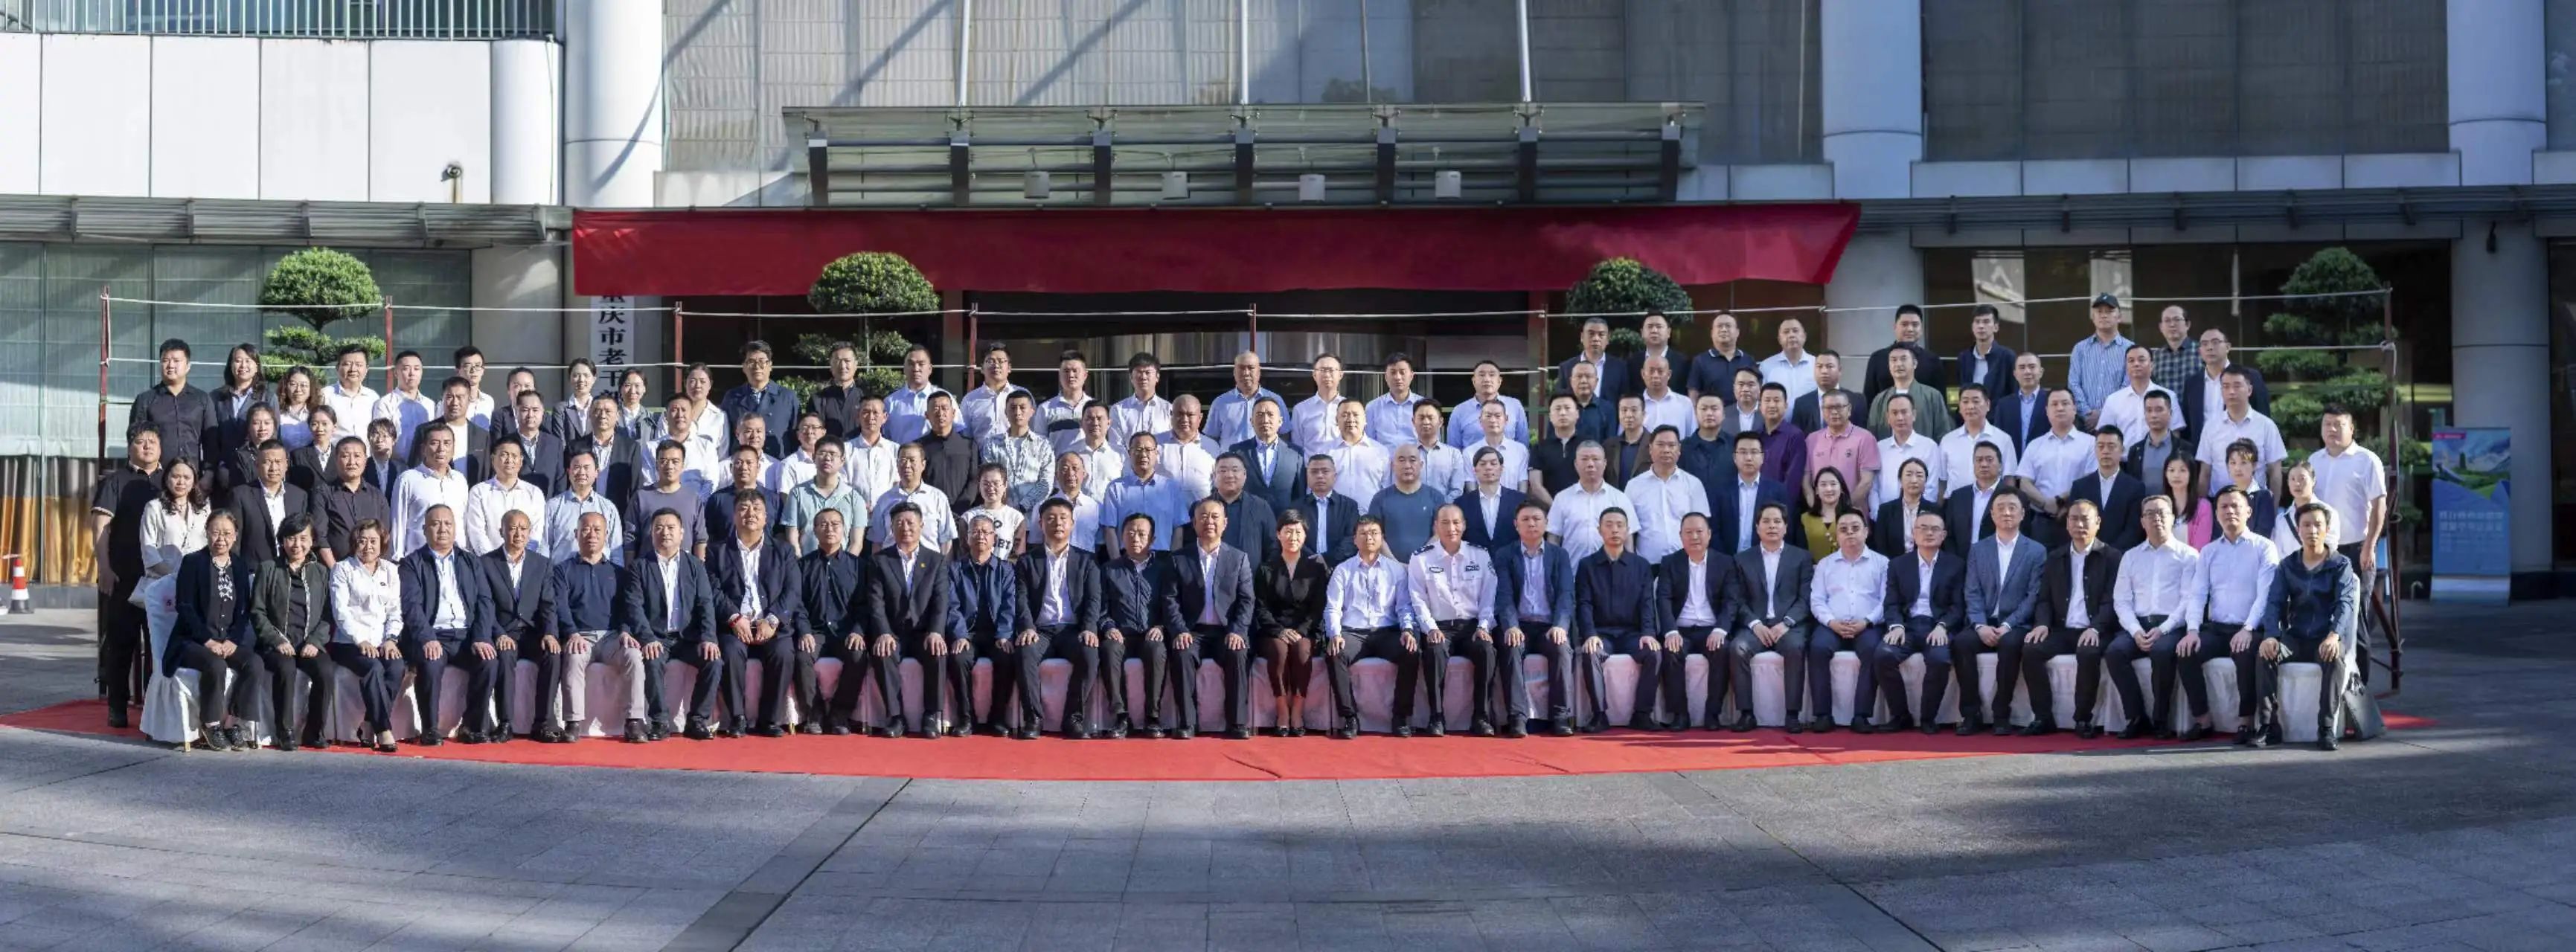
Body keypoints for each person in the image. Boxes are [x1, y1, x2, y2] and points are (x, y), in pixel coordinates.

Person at [2257, 503, 2379, 750]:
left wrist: (2334, 635)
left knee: (2335, 658)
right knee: (2264, 653)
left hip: (2325, 638)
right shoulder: (2288, 565)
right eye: (2306, 525)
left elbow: (2345, 604)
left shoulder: (2340, 564)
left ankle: (2326, 728)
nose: (2312, 530)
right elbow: (2274, 603)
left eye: (2317, 525)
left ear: (2327, 529)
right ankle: (2269, 726)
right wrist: (2271, 635)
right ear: (2298, 530)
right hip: (2295, 638)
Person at [2174, 487, 2278, 742]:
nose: (2230, 511)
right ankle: (2203, 720)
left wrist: (2248, 628)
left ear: (2248, 512)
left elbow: (2265, 595)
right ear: (2217, 513)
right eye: (2224, 507)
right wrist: (2192, 630)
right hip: (2217, 628)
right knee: (2186, 652)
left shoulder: (2264, 548)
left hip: (2250, 627)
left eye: (2235, 506)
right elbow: (2198, 594)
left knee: (2244, 653)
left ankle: (2245, 722)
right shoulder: (2209, 551)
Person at [706, 494, 809, 739]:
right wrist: (733, 617)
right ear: (734, 516)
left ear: (766, 518)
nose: (750, 514)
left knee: (783, 653)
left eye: (756, 509)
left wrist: (773, 619)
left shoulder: (783, 550)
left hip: (772, 623)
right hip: (734, 624)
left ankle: (770, 719)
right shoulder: (717, 550)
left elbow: (793, 591)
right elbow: (713, 590)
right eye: (743, 509)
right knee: (730, 652)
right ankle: (737, 717)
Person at [618, 508, 723, 742]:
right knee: (652, 660)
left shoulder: (695, 565)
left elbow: (705, 604)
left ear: (682, 532)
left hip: (688, 638)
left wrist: (709, 637)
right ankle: (660, 722)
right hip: (657, 637)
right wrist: (647, 638)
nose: (665, 532)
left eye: (670, 527)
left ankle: (697, 720)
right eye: (659, 528)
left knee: (714, 661)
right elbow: (634, 606)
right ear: (651, 533)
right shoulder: (640, 566)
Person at [166, 509, 264, 750]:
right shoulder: (193, 562)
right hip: (193, 642)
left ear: (236, 535)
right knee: (216, 664)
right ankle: (211, 725)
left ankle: (233, 722)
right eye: (216, 533)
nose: (221, 539)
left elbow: (244, 611)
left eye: (227, 533)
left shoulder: (239, 565)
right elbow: (185, 607)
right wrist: (208, 641)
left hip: (227, 641)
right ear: (207, 533)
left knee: (254, 663)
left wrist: (233, 640)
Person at [1163, 498, 1259, 740]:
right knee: (1181, 652)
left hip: (1226, 631)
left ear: (1225, 523)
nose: (1209, 522)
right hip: (1192, 631)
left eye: (1215, 517)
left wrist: (1238, 631)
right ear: (1194, 523)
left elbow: (1247, 600)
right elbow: (1170, 599)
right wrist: (1180, 630)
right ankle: (1187, 722)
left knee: (1238, 652)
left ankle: (1237, 722)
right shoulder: (1178, 558)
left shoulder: (1238, 558)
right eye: (1203, 517)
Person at [2024, 499, 2121, 738]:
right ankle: (2043, 717)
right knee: (2031, 649)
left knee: (2088, 653)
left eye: (2085, 519)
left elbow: (2112, 601)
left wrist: (2096, 627)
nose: (2080, 524)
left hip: (2096, 629)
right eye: (2074, 519)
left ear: (2098, 523)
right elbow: (2044, 599)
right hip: (2062, 629)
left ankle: (2083, 719)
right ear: (2067, 524)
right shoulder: (2055, 557)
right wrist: (2042, 624)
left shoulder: (2112, 557)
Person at [1008, 500, 1103, 739]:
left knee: (1090, 653)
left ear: (1072, 523)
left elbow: (1094, 599)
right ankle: (1033, 718)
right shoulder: (1027, 561)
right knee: (1025, 651)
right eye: (1050, 518)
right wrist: (1027, 627)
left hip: (1073, 630)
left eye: (1063, 518)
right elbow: (1021, 598)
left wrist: (1089, 628)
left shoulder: (1087, 561)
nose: (1057, 523)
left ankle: (1074, 718)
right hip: (1040, 630)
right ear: (1040, 524)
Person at [2108, 494, 2199, 740]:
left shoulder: (2189, 555)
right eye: (2150, 514)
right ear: (2142, 521)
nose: (2156, 518)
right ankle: (2136, 717)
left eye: (2161, 513)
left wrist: (2164, 629)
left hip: (2172, 625)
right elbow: (2122, 600)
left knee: (2162, 652)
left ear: (2172, 518)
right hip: (2138, 624)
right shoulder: (2131, 557)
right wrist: (2135, 631)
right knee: (2115, 652)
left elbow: (2189, 600)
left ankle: (2160, 719)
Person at [858, 504, 953, 737]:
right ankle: (895, 717)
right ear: (891, 527)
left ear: (921, 525)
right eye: (899, 523)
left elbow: (941, 601)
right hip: (893, 631)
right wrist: (883, 632)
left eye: (911, 522)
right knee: (882, 652)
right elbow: (875, 602)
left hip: (924, 632)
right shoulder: (879, 561)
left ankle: (931, 715)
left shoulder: (936, 560)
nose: (905, 528)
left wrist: (936, 631)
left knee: (938, 652)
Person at [93, 425, 165, 727]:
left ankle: (153, 708)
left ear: (161, 447)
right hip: (124, 575)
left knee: (158, 645)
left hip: (161, 579)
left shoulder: (170, 479)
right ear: (129, 447)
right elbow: (101, 528)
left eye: (152, 441)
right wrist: (104, 568)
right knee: (121, 643)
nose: (146, 446)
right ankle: (118, 706)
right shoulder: (116, 481)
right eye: (140, 441)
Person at [1322, 516, 1420, 738]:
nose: (1369, 538)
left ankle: (1401, 718)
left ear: (1382, 538)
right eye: (1364, 533)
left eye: (1374, 533)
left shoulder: (1396, 570)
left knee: (1411, 652)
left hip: (1386, 631)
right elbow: (1333, 608)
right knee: (1335, 653)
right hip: (1353, 632)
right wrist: (1335, 634)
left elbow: (1404, 606)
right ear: (1355, 539)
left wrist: (1407, 630)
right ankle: (1349, 718)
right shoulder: (1343, 570)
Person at [1957, 492, 2045, 736]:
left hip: (2016, 624)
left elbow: (2033, 596)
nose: (2007, 512)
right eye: (2001, 508)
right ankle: (1971, 714)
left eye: (2012, 507)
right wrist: (1979, 625)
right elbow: (1972, 591)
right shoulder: (1978, 550)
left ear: (2023, 514)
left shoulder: (2036, 551)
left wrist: (2008, 625)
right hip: (1984, 621)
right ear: (1992, 514)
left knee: (2010, 645)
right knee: (1962, 643)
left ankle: (2001, 713)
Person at [1718, 503, 1810, 731]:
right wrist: (1755, 624)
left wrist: (1786, 623)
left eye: (1777, 521)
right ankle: (1746, 714)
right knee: (1737, 648)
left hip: (1788, 626)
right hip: (1755, 626)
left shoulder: (1801, 557)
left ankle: (1792, 715)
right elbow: (1737, 599)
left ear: (1786, 527)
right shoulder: (1742, 559)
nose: (1772, 526)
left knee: (1796, 647)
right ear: (1757, 528)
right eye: (1766, 521)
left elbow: (1805, 599)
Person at [247, 512, 334, 751]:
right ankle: (284, 731)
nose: (297, 544)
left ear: (312, 541)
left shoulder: (321, 572)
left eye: (303, 538)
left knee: (325, 671)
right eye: (291, 538)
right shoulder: (268, 569)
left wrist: (315, 641)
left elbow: (328, 615)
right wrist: (276, 640)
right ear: (282, 541)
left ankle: (314, 731)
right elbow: (257, 611)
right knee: (286, 669)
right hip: (276, 645)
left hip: (308, 644)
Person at [1877, 510, 1968, 734]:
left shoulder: (1956, 565)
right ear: (1913, 533)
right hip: (1907, 626)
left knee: (1940, 660)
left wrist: (1943, 626)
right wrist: (1896, 625)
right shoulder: (1898, 564)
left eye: (1935, 529)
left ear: (1943, 535)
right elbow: (1891, 602)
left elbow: (1958, 606)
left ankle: (1928, 718)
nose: (1929, 533)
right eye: (1923, 528)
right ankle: (1901, 716)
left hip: (1937, 626)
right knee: (1883, 655)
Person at [548, 511, 635, 742]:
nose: (591, 535)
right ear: (576, 534)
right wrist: (571, 633)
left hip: (612, 638)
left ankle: (634, 721)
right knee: (574, 657)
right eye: (585, 529)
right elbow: (560, 606)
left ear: (606, 535)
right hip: (580, 636)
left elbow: (629, 607)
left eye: (597, 530)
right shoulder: (562, 570)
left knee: (634, 656)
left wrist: (625, 631)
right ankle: (573, 723)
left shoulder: (618, 573)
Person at [1408, 505, 1495, 736]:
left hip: (1472, 626)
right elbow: (1418, 599)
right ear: (1436, 526)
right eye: (1445, 523)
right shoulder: (1421, 558)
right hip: (1440, 627)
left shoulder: (1480, 555)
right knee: (1434, 651)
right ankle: (1436, 717)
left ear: (1464, 525)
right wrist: (1430, 628)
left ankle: (1481, 717)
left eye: (1456, 522)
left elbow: (1489, 596)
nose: (1451, 528)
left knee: (1487, 650)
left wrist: (1484, 626)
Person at [328, 520, 406, 753]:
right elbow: (341, 612)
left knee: (396, 667)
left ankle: (369, 723)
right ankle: (384, 730)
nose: (368, 547)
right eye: (362, 541)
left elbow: (395, 611)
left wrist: (391, 639)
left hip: (381, 641)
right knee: (374, 668)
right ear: (355, 543)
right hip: (349, 643)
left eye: (373, 541)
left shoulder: (390, 570)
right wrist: (360, 639)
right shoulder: (343, 569)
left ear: (382, 543)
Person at [1807, 509, 1888, 733]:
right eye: (1843, 529)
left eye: (1855, 528)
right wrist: (1831, 622)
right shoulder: (1825, 564)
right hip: (1832, 625)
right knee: (1817, 648)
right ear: (1837, 535)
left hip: (1868, 625)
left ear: (1866, 532)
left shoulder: (1882, 563)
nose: (1850, 533)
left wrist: (1867, 621)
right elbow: (1817, 600)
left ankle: (1861, 716)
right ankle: (1823, 715)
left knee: (1873, 650)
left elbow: (1886, 601)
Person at [476, 509, 553, 742]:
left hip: (532, 632)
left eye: (523, 528)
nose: (518, 533)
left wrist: (550, 633)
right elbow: (484, 604)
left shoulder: (542, 564)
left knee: (553, 654)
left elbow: (548, 604)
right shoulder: (486, 563)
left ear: (530, 533)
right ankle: (505, 723)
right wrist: (498, 633)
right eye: (512, 528)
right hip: (504, 632)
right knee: (505, 655)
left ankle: (544, 723)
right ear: (501, 531)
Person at [1252, 510, 1327, 737]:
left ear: (1305, 536)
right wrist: (1279, 631)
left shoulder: (1316, 568)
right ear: (1278, 534)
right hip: (1273, 631)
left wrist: (1301, 631)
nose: (1293, 537)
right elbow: (1260, 607)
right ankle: (1282, 709)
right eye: (1288, 532)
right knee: (1279, 651)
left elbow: (1318, 608)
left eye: (1298, 532)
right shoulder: (1266, 568)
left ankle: (1298, 709)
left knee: (1303, 651)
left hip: (1306, 630)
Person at [1098, 514, 1173, 739]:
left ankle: (1153, 717)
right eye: (1130, 533)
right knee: (1109, 649)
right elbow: (1100, 607)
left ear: (1153, 539)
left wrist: (1161, 627)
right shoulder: (1109, 569)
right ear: (1122, 536)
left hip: (1152, 633)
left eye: (1142, 534)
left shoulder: (1164, 569)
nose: (1136, 538)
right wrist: (1109, 626)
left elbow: (1172, 604)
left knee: (1157, 650)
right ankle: (1121, 717)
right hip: (1120, 634)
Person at [1656, 513, 1734, 731]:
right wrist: (1670, 631)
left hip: (1711, 628)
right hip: (1680, 628)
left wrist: (1721, 629)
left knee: (1722, 649)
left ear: (1709, 534)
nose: (1695, 537)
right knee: (1671, 650)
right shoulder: (1670, 563)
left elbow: (1731, 601)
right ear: (1681, 536)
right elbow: (1663, 598)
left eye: (1699, 532)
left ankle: (1713, 714)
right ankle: (1680, 715)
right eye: (1688, 533)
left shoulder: (1725, 563)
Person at [941, 514, 1014, 737]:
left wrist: (1004, 634)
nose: (980, 536)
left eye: (985, 532)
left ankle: (998, 717)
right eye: (975, 532)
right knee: (958, 658)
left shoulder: (1006, 569)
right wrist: (960, 635)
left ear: (994, 538)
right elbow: (951, 606)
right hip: (968, 634)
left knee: (1008, 657)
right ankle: (966, 718)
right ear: (967, 538)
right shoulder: (954, 569)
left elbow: (1010, 605)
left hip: (996, 634)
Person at [801, 508, 870, 737]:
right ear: (814, 531)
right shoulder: (803, 566)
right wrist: (804, 631)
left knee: (858, 655)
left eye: (835, 524)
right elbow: (797, 605)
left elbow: (865, 606)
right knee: (800, 656)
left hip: (846, 632)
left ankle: (841, 713)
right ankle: (815, 713)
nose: (829, 529)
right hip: (816, 632)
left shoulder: (859, 566)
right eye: (823, 524)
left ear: (845, 530)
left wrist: (858, 631)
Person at [2307, 405, 2388, 578]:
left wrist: (2369, 546)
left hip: (2357, 548)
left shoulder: (2368, 460)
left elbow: (2379, 507)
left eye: (2338, 424)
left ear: (2351, 429)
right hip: (2322, 548)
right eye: (2327, 424)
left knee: (2357, 595)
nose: (2332, 429)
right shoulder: (2314, 461)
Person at [2008, 390, 2092, 547]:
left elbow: (2090, 480)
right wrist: (2045, 504)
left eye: (2065, 403)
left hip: (2080, 520)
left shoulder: (2091, 444)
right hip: (2042, 522)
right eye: (2054, 404)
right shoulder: (2035, 445)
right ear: (2047, 411)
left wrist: (2059, 501)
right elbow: (2024, 482)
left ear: (2074, 409)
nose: (2060, 408)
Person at [1624, 428, 1709, 564]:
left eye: (1671, 445)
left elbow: (1702, 528)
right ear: (1650, 449)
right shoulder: (1634, 486)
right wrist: (1631, 564)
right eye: (1661, 445)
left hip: (1685, 563)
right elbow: (1628, 529)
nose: (1666, 450)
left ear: (1679, 449)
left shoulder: (1693, 484)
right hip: (1646, 564)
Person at [1100, 433, 1191, 553]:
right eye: (1138, 450)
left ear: (1156, 453)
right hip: (1127, 556)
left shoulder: (1171, 488)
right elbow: (1109, 529)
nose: (1143, 454)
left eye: (1148, 450)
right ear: (1129, 453)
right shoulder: (1116, 488)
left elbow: (1178, 528)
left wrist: (1173, 561)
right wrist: (1117, 561)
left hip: (1162, 557)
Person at [1545, 442, 1635, 563]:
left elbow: (1628, 539)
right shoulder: (1562, 498)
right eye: (1585, 459)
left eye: (1595, 459)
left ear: (1605, 463)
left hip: (1612, 570)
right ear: (1576, 464)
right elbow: (1553, 539)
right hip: (1573, 569)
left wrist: (1629, 568)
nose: (1590, 464)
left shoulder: (1620, 498)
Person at [2181, 327, 2272, 445]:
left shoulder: (2249, 376)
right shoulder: (2192, 383)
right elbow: (2188, 426)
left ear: (2228, 347)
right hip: (2203, 450)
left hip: (2241, 449)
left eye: (2215, 342)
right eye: (2204, 344)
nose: (2210, 347)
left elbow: (2263, 414)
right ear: (2200, 351)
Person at [390, 425, 471, 559]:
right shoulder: (408, 479)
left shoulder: (460, 480)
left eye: (447, 443)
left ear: (453, 448)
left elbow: (464, 523)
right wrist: (397, 558)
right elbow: (398, 522)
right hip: (418, 560)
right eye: (434, 443)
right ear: (423, 449)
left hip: (456, 559)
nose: (441, 449)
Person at [134, 338, 217, 464]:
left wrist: (209, 472)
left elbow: (211, 442)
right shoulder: (145, 400)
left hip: (192, 473)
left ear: (188, 366)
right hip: (157, 472)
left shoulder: (202, 399)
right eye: (165, 360)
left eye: (176, 361)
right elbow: (136, 441)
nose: (171, 365)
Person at [781, 437, 868, 556]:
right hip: (806, 562)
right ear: (814, 457)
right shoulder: (797, 493)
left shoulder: (855, 498)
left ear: (842, 460)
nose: (827, 458)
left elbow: (856, 543)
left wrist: (845, 564)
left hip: (842, 564)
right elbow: (792, 537)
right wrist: (801, 563)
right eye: (822, 453)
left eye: (833, 454)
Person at [1711, 432, 1792, 558]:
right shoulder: (1720, 490)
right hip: (1728, 559)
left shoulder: (1777, 491)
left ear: (1762, 457)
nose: (1748, 458)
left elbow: (1786, 529)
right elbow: (1714, 529)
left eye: (1754, 452)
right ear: (1734, 457)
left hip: (1765, 559)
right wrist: (1724, 559)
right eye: (1743, 452)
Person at [225, 439, 306, 563]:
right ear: (257, 464)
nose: (273, 468)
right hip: (253, 570)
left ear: (286, 464)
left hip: (290, 568)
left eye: (278, 462)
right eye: (267, 462)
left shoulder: (299, 496)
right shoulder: (240, 495)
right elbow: (234, 541)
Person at [464, 436, 545, 557]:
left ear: (521, 461)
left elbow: (536, 533)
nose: (509, 460)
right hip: (489, 562)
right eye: (504, 455)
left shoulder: (534, 493)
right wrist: (492, 561)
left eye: (514, 456)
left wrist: (523, 560)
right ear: (493, 459)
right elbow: (477, 533)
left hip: (525, 562)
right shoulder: (479, 492)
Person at [868, 443, 956, 553]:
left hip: (929, 561)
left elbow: (947, 540)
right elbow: (877, 541)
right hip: (892, 560)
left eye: (912, 460)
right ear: (897, 465)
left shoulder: (938, 498)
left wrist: (943, 564)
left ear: (923, 465)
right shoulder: (884, 500)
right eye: (903, 460)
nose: (907, 465)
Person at [545, 448, 625, 565]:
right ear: (569, 472)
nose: (581, 472)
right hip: (561, 574)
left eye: (587, 468)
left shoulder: (608, 508)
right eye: (577, 467)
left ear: (597, 472)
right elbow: (544, 547)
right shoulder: (553, 506)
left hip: (599, 573)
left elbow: (616, 551)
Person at [2095, 346, 2185, 448]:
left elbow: (2175, 432)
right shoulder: (2113, 400)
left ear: (2152, 365)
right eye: (2131, 361)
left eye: (2141, 360)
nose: (2136, 364)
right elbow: (2104, 435)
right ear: (2126, 367)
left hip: (2159, 456)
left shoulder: (2169, 396)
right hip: (2124, 457)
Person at [2072, 428, 2147, 551]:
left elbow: (2134, 530)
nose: (2106, 451)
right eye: (2101, 446)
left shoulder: (2136, 487)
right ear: (2095, 450)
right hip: (2087, 554)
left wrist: (2109, 554)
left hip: (2122, 555)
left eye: (2111, 446)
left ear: (2122, 450)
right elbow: (2075, 524)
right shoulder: (2080, 487)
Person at [2067, 294, 2135, 429]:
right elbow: (2073, 384)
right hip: (2084, 424)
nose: (2104, 315)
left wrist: (2105, 415)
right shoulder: (2080, 349)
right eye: (2099, 312)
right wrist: (2087, 414)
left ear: (2119, 317)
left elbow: (2128, 387)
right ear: (2093, 317)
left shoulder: (2130, 349)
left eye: (2109, 311)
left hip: (2118, 424)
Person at [1367, 444, 1444, 559]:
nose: (1407, 466)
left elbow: (1440, 534)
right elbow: (1375, 536)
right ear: (1393, 466)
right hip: (1389, 566)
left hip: (1427, 565)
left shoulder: (1435, 497)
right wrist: (1395, 564)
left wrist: (1419, 562)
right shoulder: (1380, 499)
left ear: (1421, 465)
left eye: (1412, 460)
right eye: (1402, 460)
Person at [634, 442, 710, 559]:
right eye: (663, 461)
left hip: (684, 567)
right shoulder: (641, 497)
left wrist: (699, 567)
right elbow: (631, 538)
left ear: (683, 465)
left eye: (675, 461)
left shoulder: (693, 499)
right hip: (648, 566)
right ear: (656, 465)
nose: (669, 466)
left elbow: (700, 540)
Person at [1804, 390, 1878, 509]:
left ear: (1849, 409)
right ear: (1822, 410)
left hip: (1853, 513)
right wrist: (1817, 510)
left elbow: (1866, 482)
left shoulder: (1865, 438)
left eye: (1839, 407)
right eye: (1829, 408)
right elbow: (1806, 482)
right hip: (1820, 515)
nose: (1834, 412)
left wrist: (1844, 508)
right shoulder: (1812, 439)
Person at [981, 390, 1055, 511]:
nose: (1017, 412)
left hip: (1033, 514)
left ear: (1032, 411)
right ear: (1006, 412)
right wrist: (1004, 507)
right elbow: (989, 478)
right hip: (1000, 512)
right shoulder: (992, 443)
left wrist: (1024, 506)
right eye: (1013, 408)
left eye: (1022, 407)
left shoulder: (1043, 445)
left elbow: (1046, 483)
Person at [1230, 396, 1304, 512]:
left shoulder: (1296, 453)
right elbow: (1232, 490)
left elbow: (1300, 494)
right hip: (1249, 517)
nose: (1265, 420)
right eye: (1260, 415)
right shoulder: (1237, 451)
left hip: (1284, 519)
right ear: (1252, 421)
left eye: (1270, 414)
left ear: (1280, 421)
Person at [1940, 387, 2018, 495]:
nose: (1970, 406)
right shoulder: (1948, 440)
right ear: (1960, 407)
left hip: (1993, 500)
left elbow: (2009, 479)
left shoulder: (2003, 439)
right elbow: (1942, 481)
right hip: (1955, 502)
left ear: (1988, 405)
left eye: (1976, 401)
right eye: (1965, 402)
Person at [1861, 305, 1945, 406]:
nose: (1910, 329)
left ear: (1922, 329)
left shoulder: (1932, 360)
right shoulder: (1878, 358)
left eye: (1915, 325)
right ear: (1895, 327)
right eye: (1904, 324)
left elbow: (1941, 402)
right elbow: (1869, 398)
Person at [1871, 393, 1943, 510]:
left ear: (1914, 415)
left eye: (1904, 412)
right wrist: (1877, 514)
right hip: (1885, 515)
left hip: (1920, 515)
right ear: (1888, 417)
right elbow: (1873, 487)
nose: (1900, 418)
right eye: (1895, 413)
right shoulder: (1879, 448)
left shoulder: (1929, 447)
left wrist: (1920, 513)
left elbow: (1931, 487)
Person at [645, 394, 724, 498]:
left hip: (698, 505)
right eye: (674, 410)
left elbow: (711, 482)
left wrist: (695, 504)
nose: (680, 415)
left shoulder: (706, 446)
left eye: (684, 410)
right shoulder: (651, 447)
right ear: (665, 416)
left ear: (692, 414)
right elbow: (649, 482)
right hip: (661, 504)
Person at [1943, 443, 2015, 556]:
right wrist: (1956, 562)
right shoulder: (1958, 497)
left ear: (2001, 466)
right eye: (1979, 460)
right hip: (1961, 561)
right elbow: (1949, 535)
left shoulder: (2013, 497)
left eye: (1989, 460)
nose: (1984, 464)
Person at [1025, 451, 1103, 556]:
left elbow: (1099, 543)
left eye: (1075, 468)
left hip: (1086, 563)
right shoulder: (1043, 506)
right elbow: (1035, 542)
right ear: (1057, 475)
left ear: (1084, 473)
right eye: (1065, 469)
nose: (1070, 473)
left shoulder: (1095, 507)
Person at [706, 443, 784, 548]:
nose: (744, 467)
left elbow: (780, 534)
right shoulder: (717, 499)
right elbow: (710, 535)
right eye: (739, 463)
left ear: (758, 467)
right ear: (731, 468)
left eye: (749, 463)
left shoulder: (773, 499)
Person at [208, 344, 273, 468]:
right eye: (238, 361)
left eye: (248, 361)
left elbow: (274, 436)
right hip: (224, 467)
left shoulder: (268, 398)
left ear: (257, 367)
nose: (243, 365)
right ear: (231, 365)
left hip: (257, 466)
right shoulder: (216, 397)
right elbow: (211, 437)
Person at [1865, 348, 1954, 440]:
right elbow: (1872, 436)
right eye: (1894, 360)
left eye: (1903, 359)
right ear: (1889, 366)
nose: (1899, 364)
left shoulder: (1932, 396)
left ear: (1915, 364)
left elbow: (1943, 433)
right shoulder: (1879, 399)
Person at [570, 396, 637, 509]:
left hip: (619, 512)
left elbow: (635, 487)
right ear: (590, 414)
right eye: (597, 411)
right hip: (582, 510)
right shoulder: (575, 446)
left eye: (608, 411)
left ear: (618, 416)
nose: (602, 415)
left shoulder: (631, 448)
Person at [1291, 455, 1360, 566]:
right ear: (1307, 476)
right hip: (1304, 567)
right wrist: (1313, 560)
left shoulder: (1349, 506)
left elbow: (1352, 539)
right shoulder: (1296, 507)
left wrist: (1327, 559)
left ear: (1335, 476)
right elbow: (1292, 537)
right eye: (1314, 472)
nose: (1320, 476)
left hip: (1340, 567)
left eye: (1325, 471)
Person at [1207, 350, 1284, 448]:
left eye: (1251, 368)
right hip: (1230, 458)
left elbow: (1285, 435)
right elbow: (1211, 439)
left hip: (1264, 458)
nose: (1246, 373)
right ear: (1234, 372)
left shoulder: (1276, 400)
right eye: (1242, 368)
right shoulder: (1220, 403)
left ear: (1259, 372)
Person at [1445, 360, 1530, 448]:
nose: (1487, 379)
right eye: (1482, 375)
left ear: (1499, 381)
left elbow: (1523, 445)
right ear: (1474, 381)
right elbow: (1454, 449)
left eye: (1492, 375)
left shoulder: (1515, 406)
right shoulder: (1460, 411)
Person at [1321, 400, 1391, 506]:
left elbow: (1387, 490)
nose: (1350, 419)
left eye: (1355, 415)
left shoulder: (1381, 452)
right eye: (1345, 415)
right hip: (1335, 514)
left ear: (1365, 420)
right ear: (1336, 420)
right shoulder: (1325, 452)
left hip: (1371, 514)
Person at [1208, 454, 1278, 559]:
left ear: (1245, 475)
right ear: (1214, 476)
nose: (1229, 475)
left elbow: (1273, 545)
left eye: (1235, 470)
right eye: (1223, 471)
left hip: (1252, 569)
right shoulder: (1203, 507)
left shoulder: (1261, 507)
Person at [1456, 446, 1525, 551]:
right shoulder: (1461, 503)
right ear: (1475, 470)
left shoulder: (1519, 500)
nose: (1488, 468)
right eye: (1483, 464)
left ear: (1501, 469)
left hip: (1511, 559)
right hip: (1474, 559)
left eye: (1493, 463)